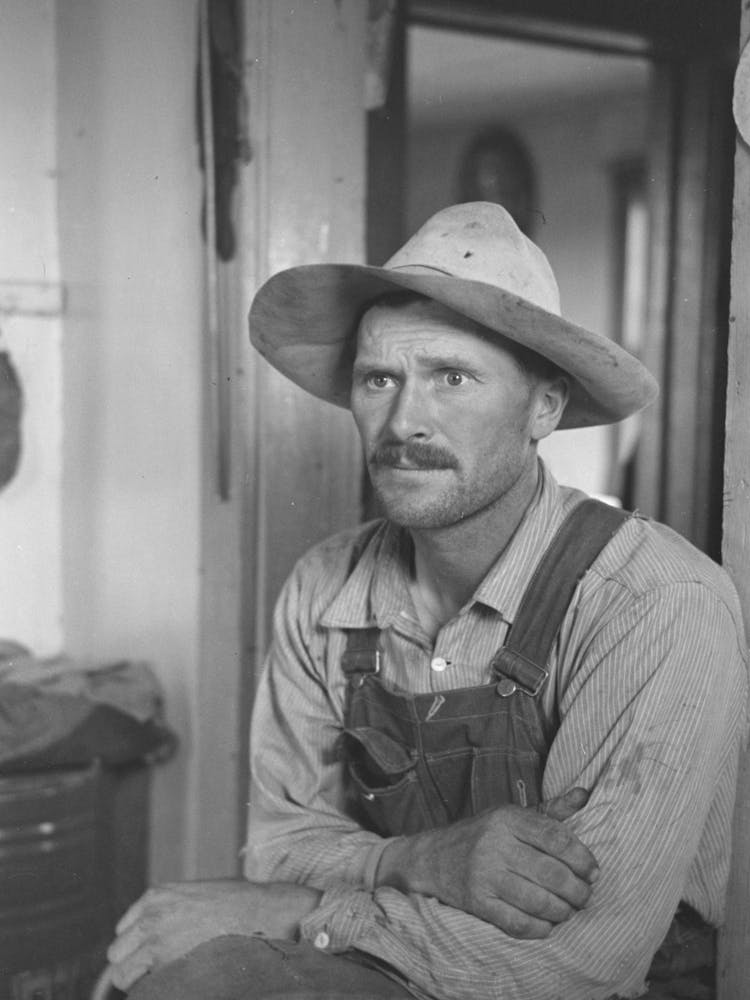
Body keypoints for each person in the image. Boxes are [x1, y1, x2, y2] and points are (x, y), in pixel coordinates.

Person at [107, 202, 748, 1000]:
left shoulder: (654, 600)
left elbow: (583, 958)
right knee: (173, 975)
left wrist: (298, 910)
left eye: (453, 377)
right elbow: (279, 848)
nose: (405, 420)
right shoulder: (324, 587)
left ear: (543, 408)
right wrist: (421, 861)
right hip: (390, 968)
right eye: (381, 378)